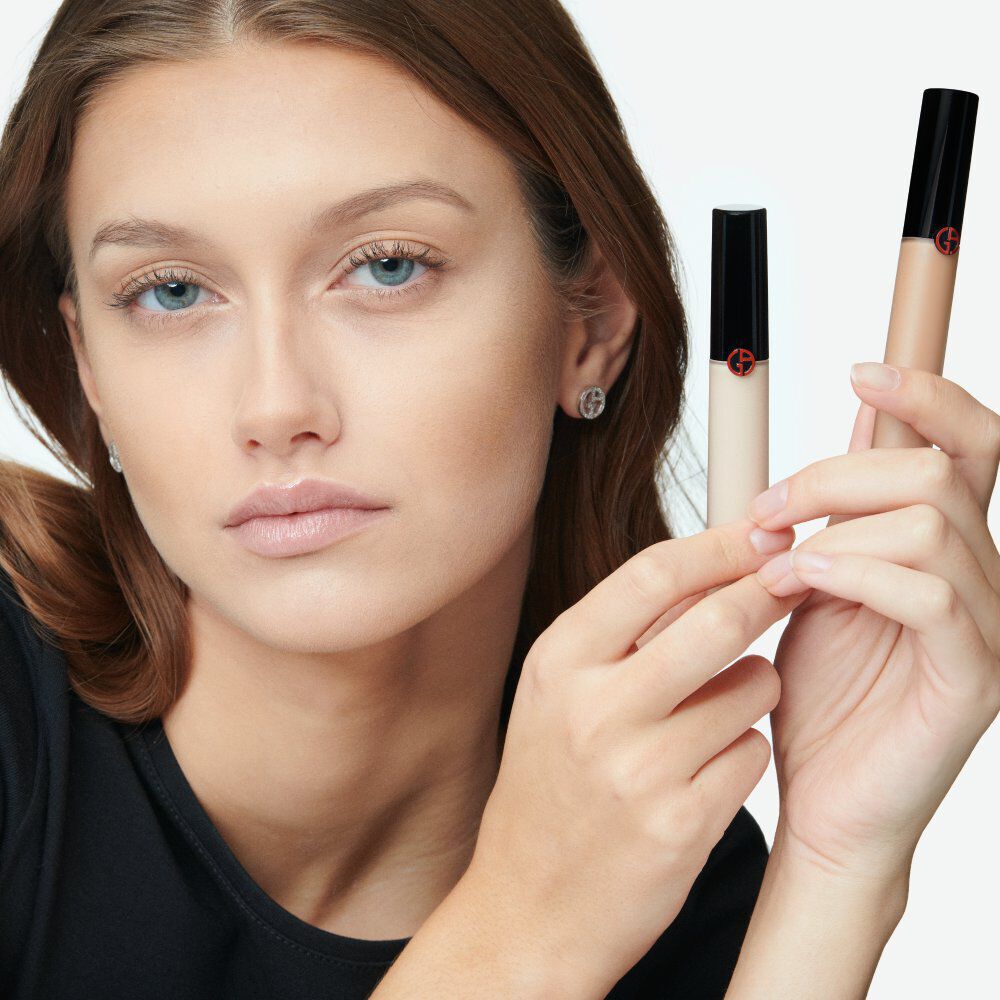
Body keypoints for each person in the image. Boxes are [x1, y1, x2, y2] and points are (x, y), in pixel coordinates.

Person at [1, 3, 997, 999]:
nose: (274, 407)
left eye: (386, 267)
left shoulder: (675, 866)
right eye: (170, 292)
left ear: (591, 326)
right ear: (87, 360)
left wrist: (837, 868)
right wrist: (524, 934)